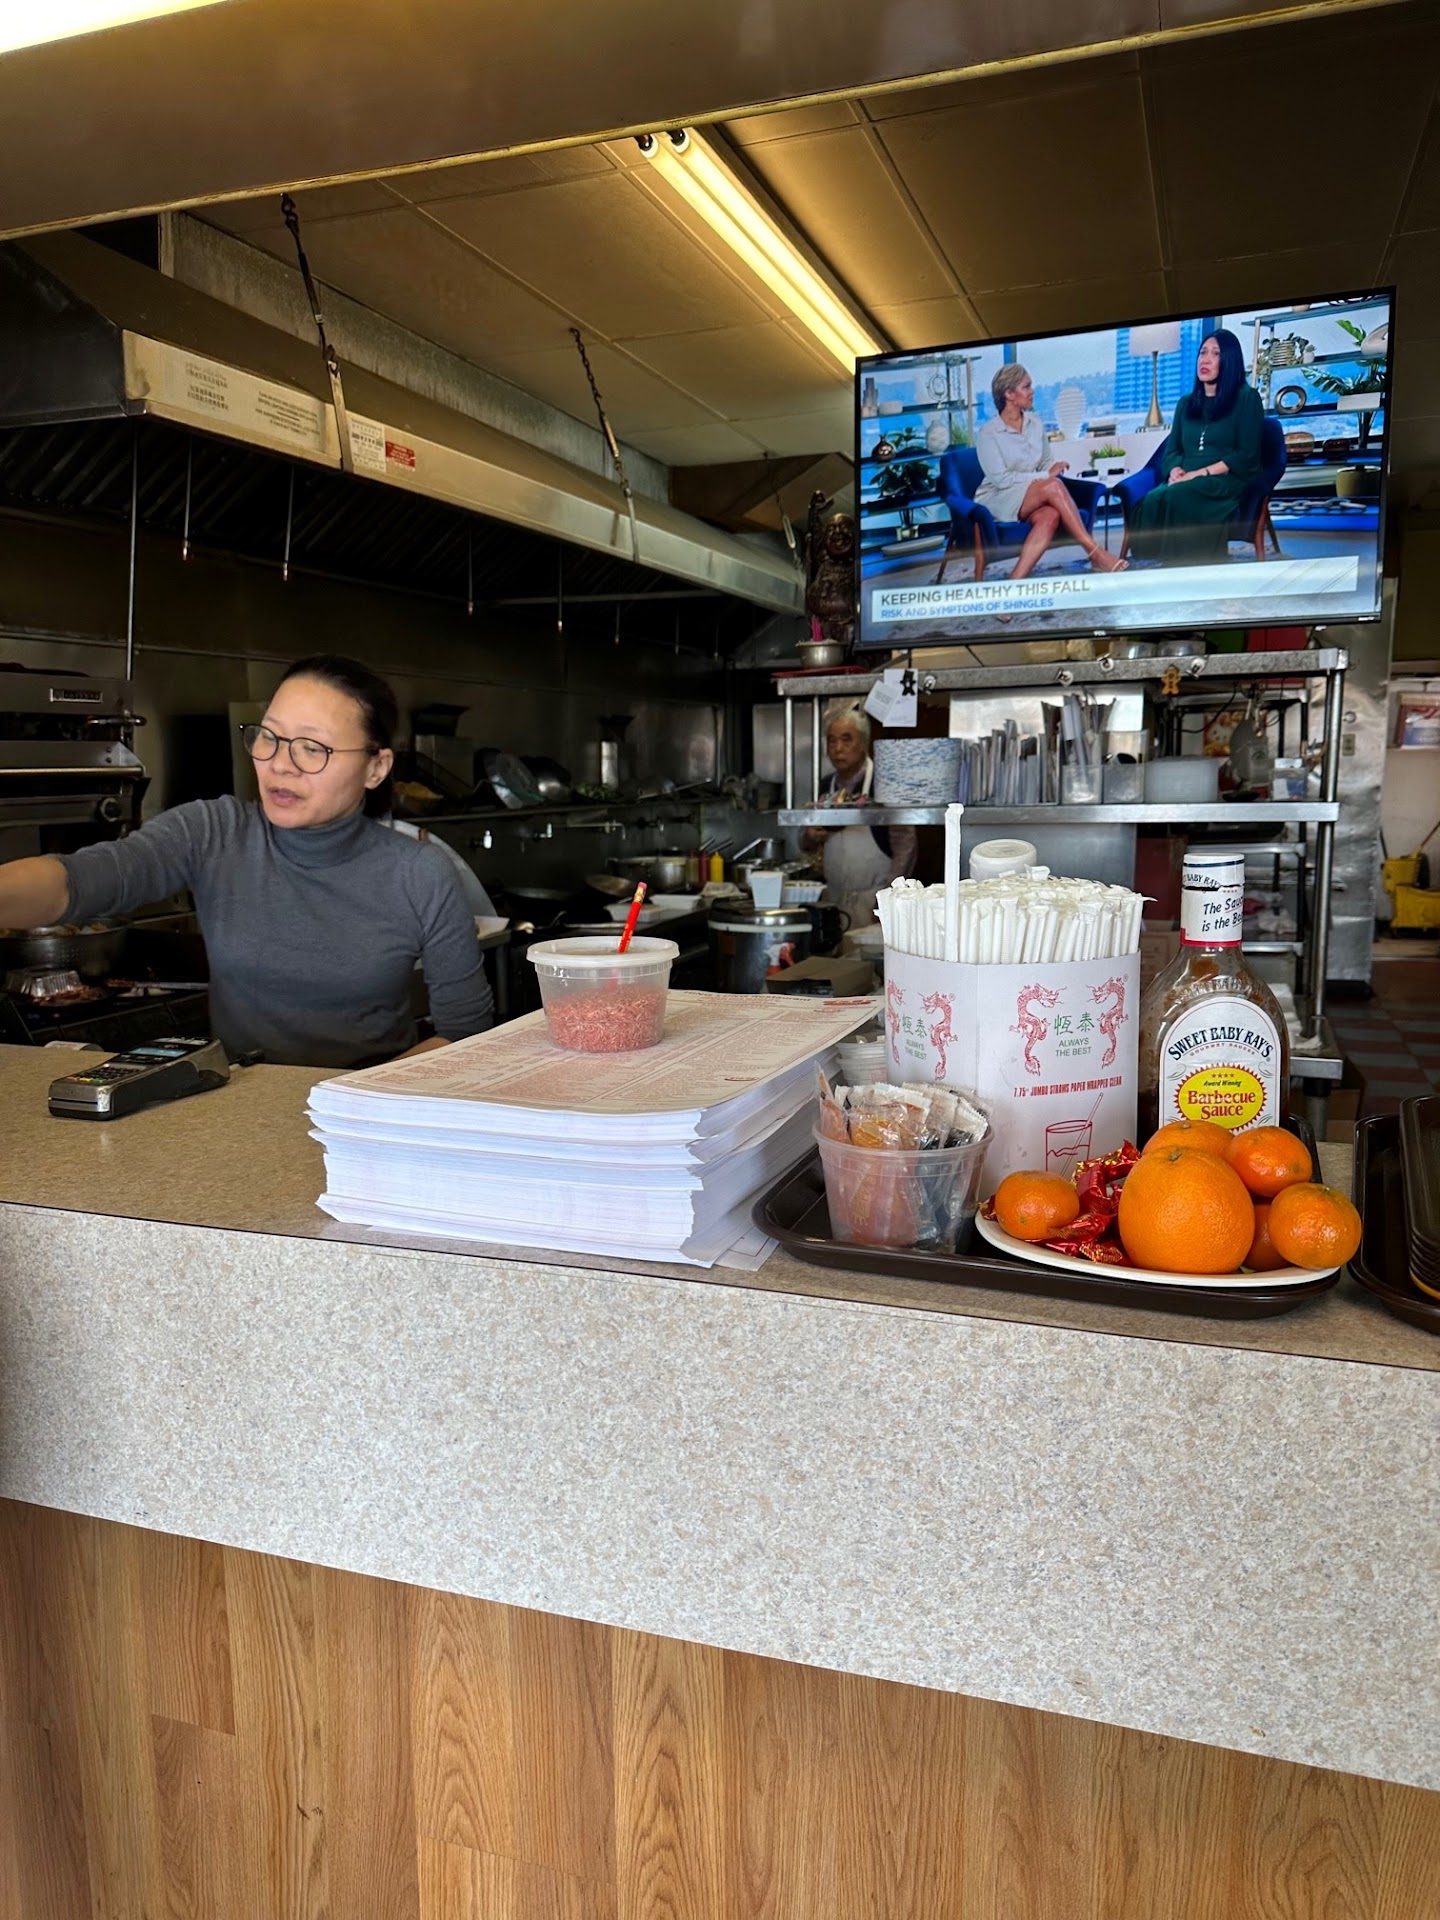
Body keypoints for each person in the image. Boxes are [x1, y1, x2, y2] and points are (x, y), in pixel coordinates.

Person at [0, 654, 494, 1069]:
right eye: (269, 736)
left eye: (312, 748)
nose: (279, 763)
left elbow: (466, 1031)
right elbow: (78, 882)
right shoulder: (214, 833)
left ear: (376, 767)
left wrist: (350, 1101)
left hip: (365, 1117)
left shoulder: (419, 873)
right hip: (238, 1113)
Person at [975, 363, 1127, 582]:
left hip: (1027, 494)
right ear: (1009, 394)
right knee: (1054, 486)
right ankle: (1096, 554)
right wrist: (1046, 477)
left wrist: (1053, 468)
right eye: (1026, 387)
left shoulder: (1035, 423)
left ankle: (1013, 584)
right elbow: (1001, 480)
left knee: (1050, 515)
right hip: (998, 498)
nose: (1032, 391)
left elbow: (1045, 461)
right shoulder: (988, 433)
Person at [1127, 330, 1264, 566]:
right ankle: (1156, 562)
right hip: (1187, 477)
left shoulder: (1247, 398)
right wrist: (1174, 470)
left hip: (1225, 479)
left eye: (1215, 354)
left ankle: (1186, 565)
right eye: (1203, 353)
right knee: (1153, 499)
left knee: (1178, 494)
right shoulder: (1186, 403)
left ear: (1229, 360)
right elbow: (1173, 451)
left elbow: (1246, 455)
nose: (1205, 360)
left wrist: (1199, 474)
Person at [799, 704, 917, 929]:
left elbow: (906, 846)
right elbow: (805, 843)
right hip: (834, 901)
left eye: (846, 739)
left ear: (863, 743)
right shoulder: (824, 786)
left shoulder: (885, 784)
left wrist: (887, 900)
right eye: (832, 741)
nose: (838, 748)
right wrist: (810, 835)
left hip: (874, 902)